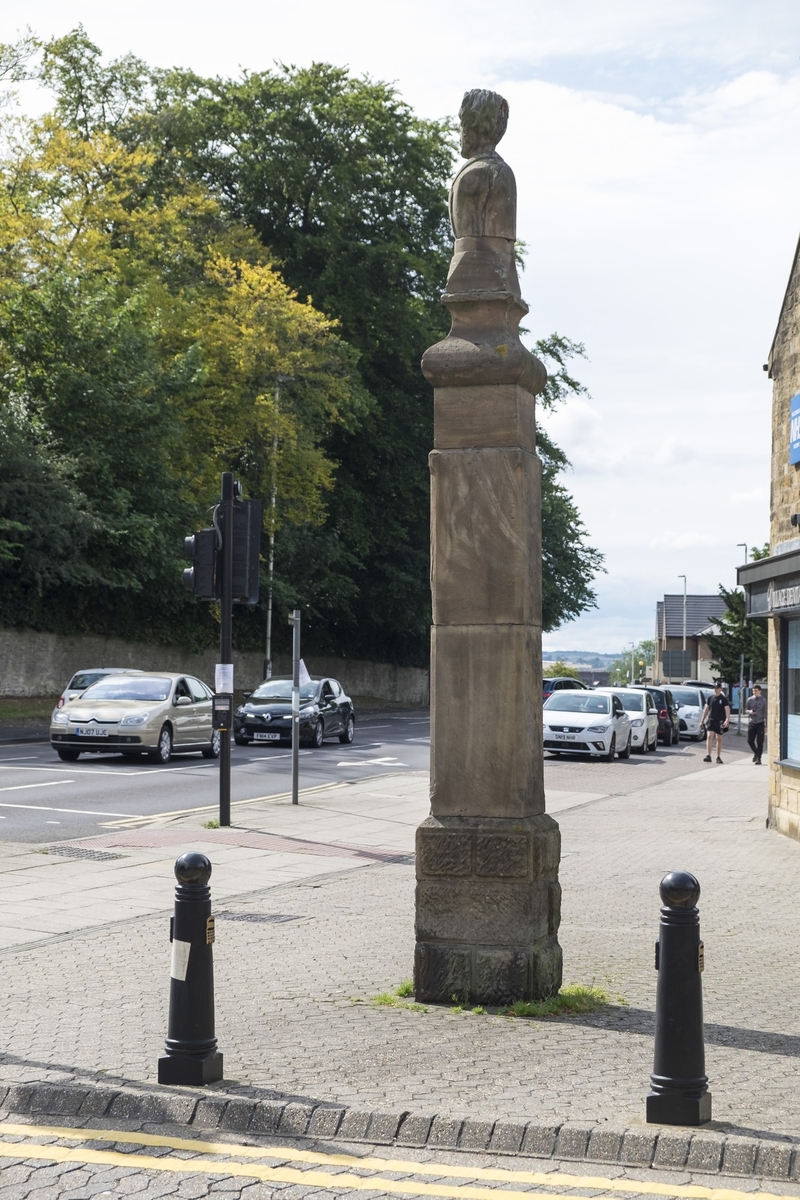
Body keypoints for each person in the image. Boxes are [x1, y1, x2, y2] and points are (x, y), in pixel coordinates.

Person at [701, 683, 731, 763]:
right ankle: (708, 755)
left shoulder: (723, 699)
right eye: (714, 688)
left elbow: (727, 709)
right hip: (711, 720)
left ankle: (718, 756)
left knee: (719, 738)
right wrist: (702, 720)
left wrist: (727, 719)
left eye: (717, 688)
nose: (715, 689)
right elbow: (706, 709)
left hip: (720, 721)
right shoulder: (710, 698)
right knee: (709, 736)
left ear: (721, 689)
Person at [746, 684, 767, 765]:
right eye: (753, 691)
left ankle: (759, 758)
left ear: (760, 691)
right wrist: (750, 712)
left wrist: (766, 725)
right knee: (750, 740)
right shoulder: (749, 699)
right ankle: (756, 753)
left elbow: (766, 713)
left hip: (760, 723)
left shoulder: (763, 700)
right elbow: (746, 709)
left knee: (760, 742)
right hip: (752, 722)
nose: (754, 692)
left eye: (756, 691)